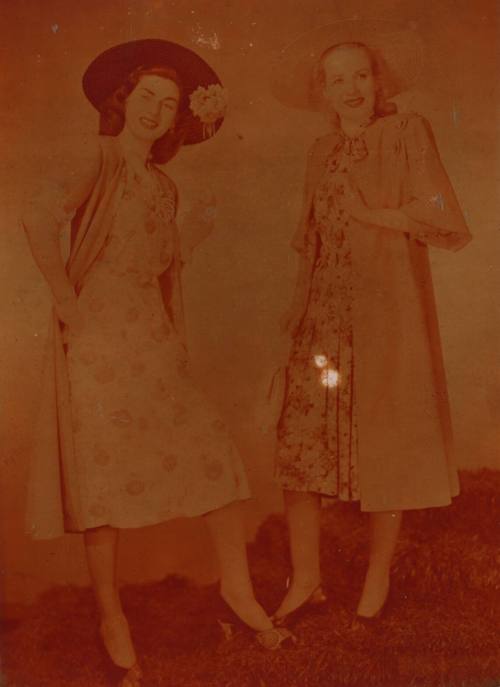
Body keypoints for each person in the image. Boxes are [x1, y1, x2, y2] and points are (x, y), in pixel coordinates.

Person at [22, 39, 290, 687]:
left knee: (214, 456)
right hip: (98, 340)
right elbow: (37, 216)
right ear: (124, 99)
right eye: (146, 97)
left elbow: (162, 267)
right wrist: (66, 301)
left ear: (177, 121)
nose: (154, 111)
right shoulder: (101, 156)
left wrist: (188, 241)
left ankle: (237, 589)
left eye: (168, 105)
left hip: (150, 338)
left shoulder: (164, 185)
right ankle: (112, 618)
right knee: (104, 483)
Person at [270, 20, 471, 625]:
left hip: (386, 310)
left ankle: (377, 571)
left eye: (361, 74)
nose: (351, 87)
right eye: (337, 80)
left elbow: (441, 212)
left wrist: (377, 214)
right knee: (299, 445)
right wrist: (295, 311)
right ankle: (307, 579)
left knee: (388, 437)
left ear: (377, 80)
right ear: (322, 92)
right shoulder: (320, 151)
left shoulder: (406, 130)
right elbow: (311, 241)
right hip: (321, 315)